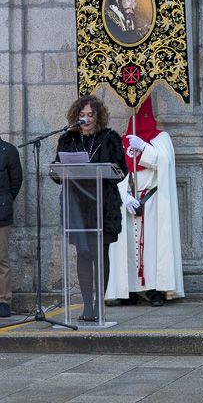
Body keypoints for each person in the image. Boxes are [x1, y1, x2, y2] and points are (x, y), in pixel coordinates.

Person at [54, 95, 128, 322]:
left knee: (100, 253)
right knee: (83, 254)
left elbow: (121, 170)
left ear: (98, 117)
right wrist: (59, 169)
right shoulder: (68, 139)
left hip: (103, 205)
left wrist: (99, 169)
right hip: (77, 205)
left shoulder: (110, 138)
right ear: (75, 116)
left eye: (90, 115)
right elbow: (57, 171)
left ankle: (99, 305)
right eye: (82, 115)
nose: (85, 119)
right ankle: (87, 305)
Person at [106, 96, 184, 307]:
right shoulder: (123, 141)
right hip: (129, 201)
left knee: (152, 248)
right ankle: (129, 290)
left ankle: (155, 290)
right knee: (128, 249)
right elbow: (115, 172)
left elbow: (165, 163)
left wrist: (144, 148)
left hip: (152, 200)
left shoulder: (161, 139)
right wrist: (124, 196)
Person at [0, 134, 23, 318]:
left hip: (1, 213)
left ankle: (3, 301)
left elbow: (16, 181)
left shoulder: (8, 151)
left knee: (1, 259)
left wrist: (5, 201)